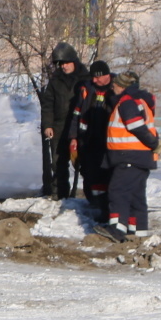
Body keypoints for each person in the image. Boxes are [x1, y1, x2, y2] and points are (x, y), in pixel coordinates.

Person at [99, 71, 158, 242]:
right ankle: (138, 230)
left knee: (118, 191)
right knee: (136, 195)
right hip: (141, 157)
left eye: (116, 84)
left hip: (129, 155)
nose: (113, 87)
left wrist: (153, 143)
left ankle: (117, 228)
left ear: (124, 86)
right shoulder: (141, 101)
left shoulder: (127, 102)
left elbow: (136, 126)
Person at [68, 60, 116, 214]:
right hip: (88, 141)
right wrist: (73, 137)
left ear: (107, 75)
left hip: (109, 142)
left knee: (107, 174)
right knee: (89, 173)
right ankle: (94, 203)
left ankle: (106, 205)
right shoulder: (86, 89)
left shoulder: (116, 90)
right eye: (93, 77)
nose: (94, 80)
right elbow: (76, 114)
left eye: (97, 77)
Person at [38, 42, 84, 200]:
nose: (63, 66)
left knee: (83, 161)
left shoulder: (85, 78)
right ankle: (61, 194)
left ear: (74, 61)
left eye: (66, 63)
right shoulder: (55, 80)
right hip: (59, 126)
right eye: (60, 64)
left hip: (80, 126)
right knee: (58, 163)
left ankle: (92, 196)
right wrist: (47, 125)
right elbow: (48, 104)